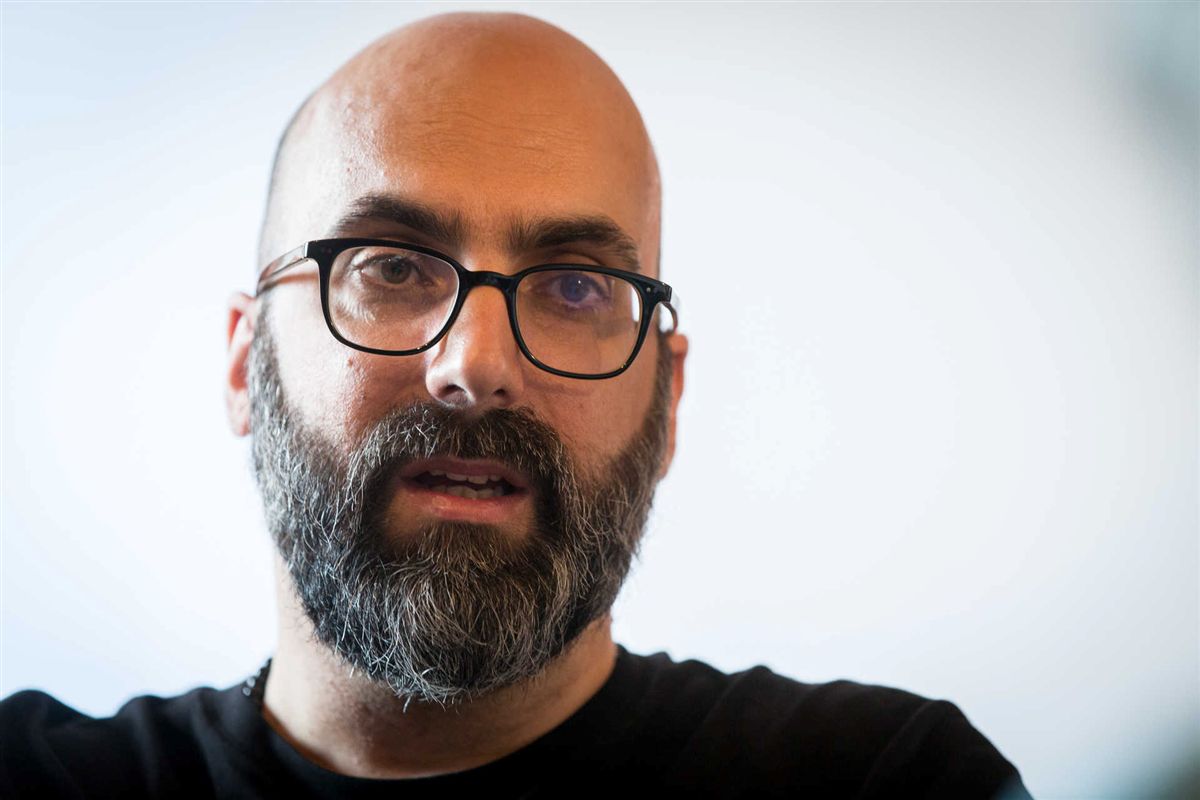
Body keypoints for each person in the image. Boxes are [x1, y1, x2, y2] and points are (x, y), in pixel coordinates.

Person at [0, 12, 1031, 799]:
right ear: (243, 364)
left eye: (577, 286)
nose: (476, 363)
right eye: (391, 266)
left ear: (668, 398)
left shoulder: (883, 780)